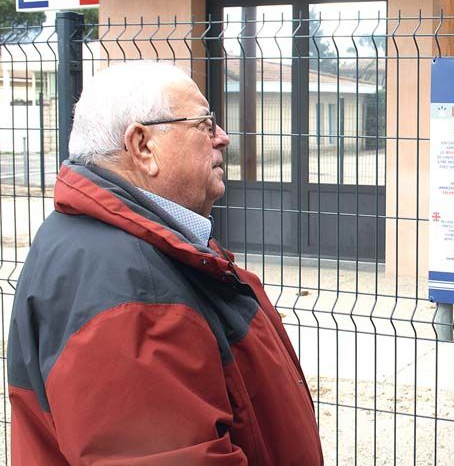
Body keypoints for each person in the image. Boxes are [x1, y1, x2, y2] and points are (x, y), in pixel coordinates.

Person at [8, 61, 323, 465]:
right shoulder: (130, 292)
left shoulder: (126, 245)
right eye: (204, 124)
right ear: (142, 146)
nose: (223, 138)